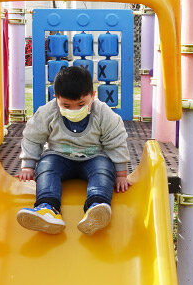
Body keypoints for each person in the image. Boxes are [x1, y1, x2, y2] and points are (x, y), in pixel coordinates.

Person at [16, 66, 131, 235]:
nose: (74, 110)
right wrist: (28, 165)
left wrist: (121, 174)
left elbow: (116, 140)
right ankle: (47, 208)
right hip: (59, 156)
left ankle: (96, 207)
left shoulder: (103, 113)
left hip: (94, 157)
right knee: (46, 166)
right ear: (56, 98)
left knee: (103, 169)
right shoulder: (48, 112)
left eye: (81, 104)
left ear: (93, 95)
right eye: (66, 105)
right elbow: (33, 136)